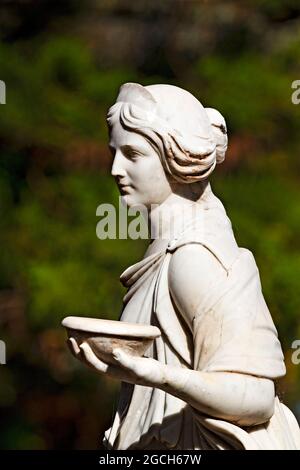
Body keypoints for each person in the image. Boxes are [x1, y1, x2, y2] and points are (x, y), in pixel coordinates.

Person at [68, 83, 300, 449]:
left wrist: (156, 374)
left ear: (177, 157)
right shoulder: (165, 251)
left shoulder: (194, 258)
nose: (115, 169)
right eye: (114, 152)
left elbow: (255, 397)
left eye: (132, 154)